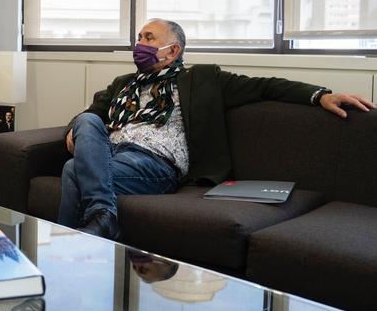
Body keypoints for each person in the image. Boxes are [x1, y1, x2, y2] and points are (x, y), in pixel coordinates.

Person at [60, 18, 375, 240]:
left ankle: (74, 242)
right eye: (139, 37)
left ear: (173, 50)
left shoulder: (202, 80)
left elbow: (265, 87)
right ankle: (102, 221)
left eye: (149, 38)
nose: (139, 44)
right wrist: (76, 126)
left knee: (75, 170)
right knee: (86, 124)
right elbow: (92, 114)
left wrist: (320, 95)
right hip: (110, 155)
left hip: (154, 165)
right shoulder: (122, 85)